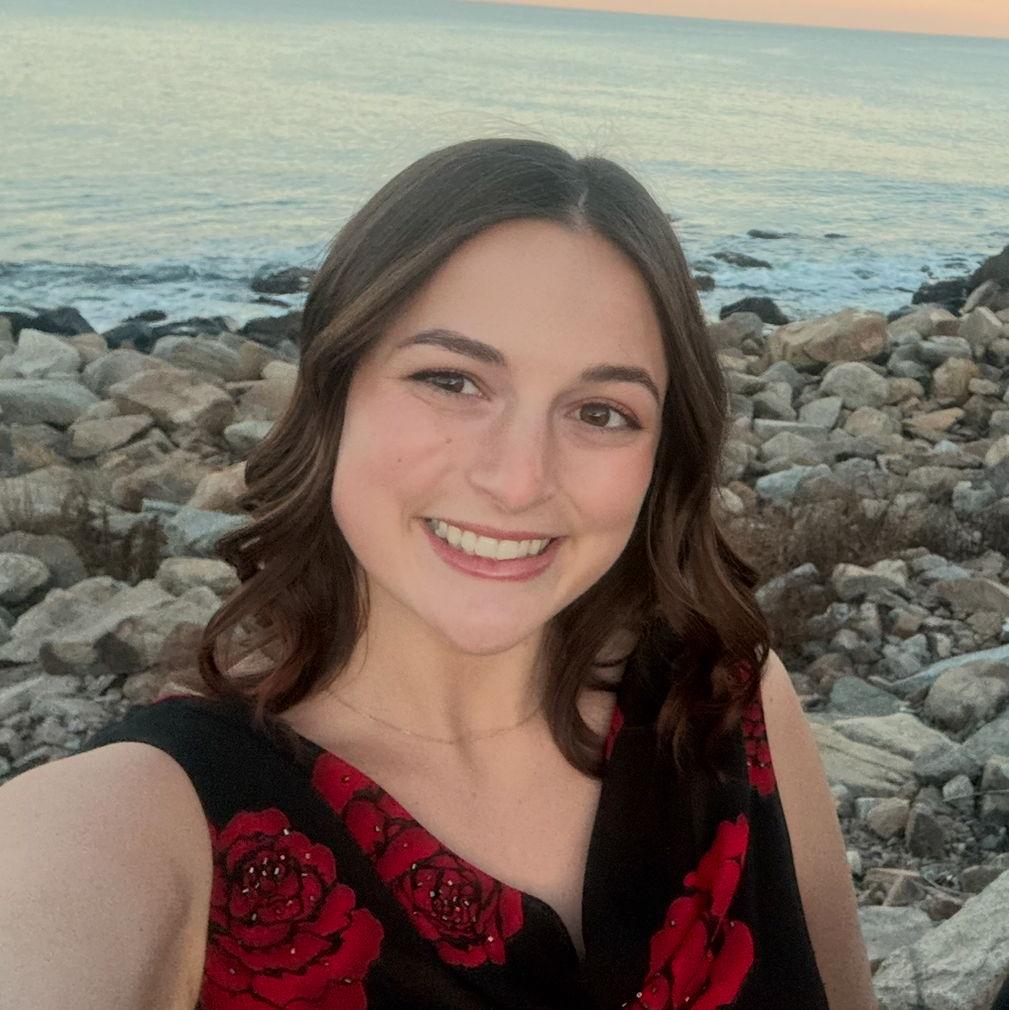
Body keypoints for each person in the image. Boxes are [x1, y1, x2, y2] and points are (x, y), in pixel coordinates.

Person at [0, 137, 877, 1010]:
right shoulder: (137, 820)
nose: (517, 479)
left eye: (601, 412)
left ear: (661, 457)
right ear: (333, 393)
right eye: (452, 381)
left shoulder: (725, 703)